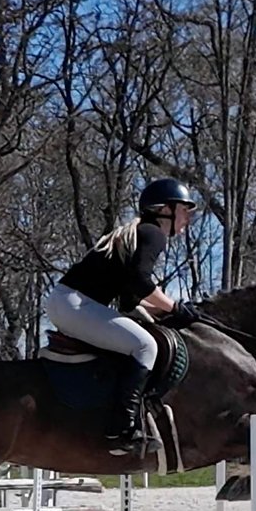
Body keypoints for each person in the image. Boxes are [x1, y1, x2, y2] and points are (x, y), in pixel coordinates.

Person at [46, 178, 202, 455]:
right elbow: (141, 281)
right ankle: (122, 429)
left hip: (67, 301)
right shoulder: (153, 233)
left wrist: (164, 311)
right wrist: (175, 307)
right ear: (165, 209)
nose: (187, 218)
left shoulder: (140, 232)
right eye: (184, 210)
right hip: (76, 303)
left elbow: (131, 299)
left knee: (138, 339)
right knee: (145, 346)